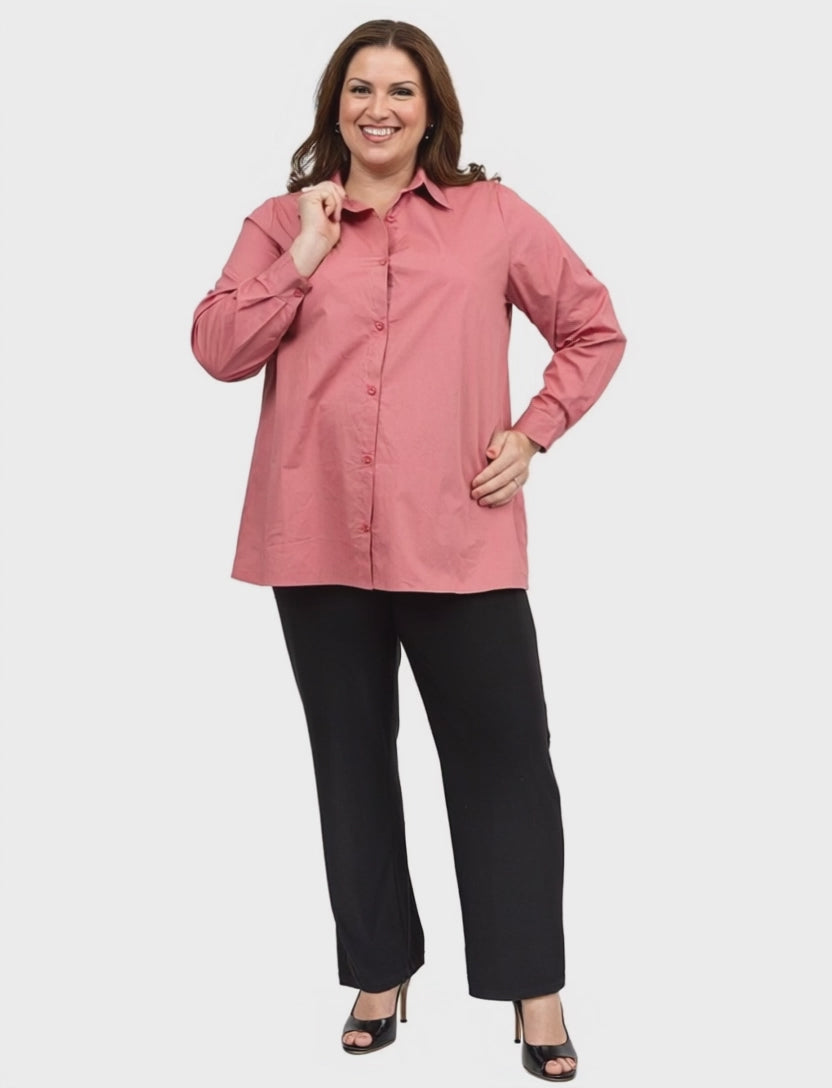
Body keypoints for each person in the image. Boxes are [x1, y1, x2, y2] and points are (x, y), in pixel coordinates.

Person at [190, 18, 625, 1082]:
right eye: (359, 88)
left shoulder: (493, 218)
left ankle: (533, 988)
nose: (377, 108)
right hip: (316, 534)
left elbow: (593, 326)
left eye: (399, 91)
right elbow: (218, 348)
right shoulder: (280, 221)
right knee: (350, 761)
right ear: (333, 105)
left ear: (431, 110)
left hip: (456, 534)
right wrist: (304, 255)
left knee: (505, 762)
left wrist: (533, 432)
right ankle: (378, 972)